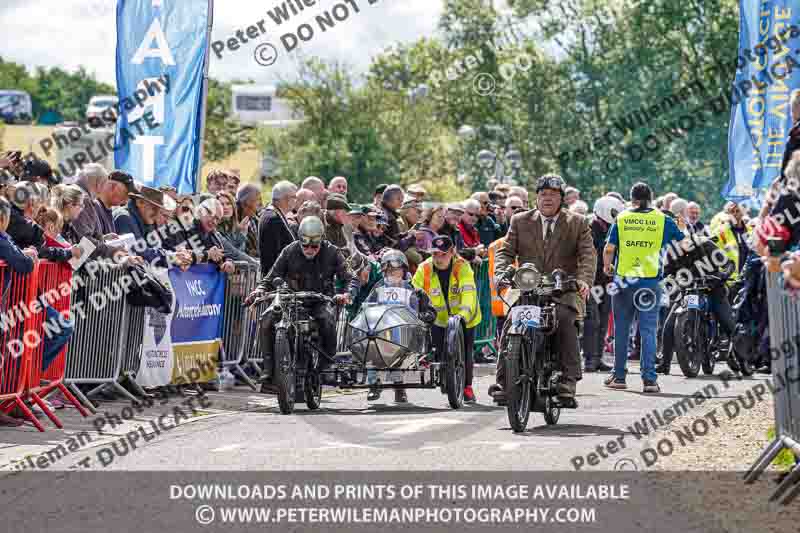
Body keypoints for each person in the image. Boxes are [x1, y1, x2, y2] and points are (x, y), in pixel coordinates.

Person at [491, 174, 595, 404]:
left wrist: (583, 280)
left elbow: (588, 254)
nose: (547, 199)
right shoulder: (520, 220)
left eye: (553, 195)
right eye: (543, 194)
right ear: (536, 198)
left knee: (564, 320)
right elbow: (506, 251)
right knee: (511, 321)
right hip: (527, 287)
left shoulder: (577, 222)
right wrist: (501, 273)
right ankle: (504, 381)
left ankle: (568, 380)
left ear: (561, 198)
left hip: (563, 288)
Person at [245, 216, 354, 390]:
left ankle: (327, 364)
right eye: (305, 246)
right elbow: (270, 277)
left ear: (322, 240)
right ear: (299, 240)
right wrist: (259, 290)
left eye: (314, 246)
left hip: (320, 299)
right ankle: (269, 368)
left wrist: (347, 294)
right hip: (291, 299)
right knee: (266, 319)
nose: (309, 249)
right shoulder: (289, 251)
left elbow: (350, 277)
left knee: (326, 319)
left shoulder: (332, 252)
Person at [602, 182, 684, 392]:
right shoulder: (663, 219)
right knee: (648, 330)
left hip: (623, 281)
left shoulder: (621, 218)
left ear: (632, 199)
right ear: (651, 197)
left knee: (621, 328)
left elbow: (609, 248)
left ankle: (619, 377)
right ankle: (649, 380)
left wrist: (607, 267)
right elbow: (683, 244)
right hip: (650, 281)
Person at [657, 232, 737, 374]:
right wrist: (672, 282)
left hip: (713, 289)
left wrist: (722, 275)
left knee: (728, 322)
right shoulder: (670, 253)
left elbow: (729, 264)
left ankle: (738, 356)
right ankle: (665, 364)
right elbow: (666, 275)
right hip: (688, 291)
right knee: (668, 326)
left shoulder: (706, 244)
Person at [412, 235, 480, 402]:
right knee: (441, 351)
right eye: (435, 254)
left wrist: (462, 315)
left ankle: (467, 386)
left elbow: (469, 294)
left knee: (465, 352)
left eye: (443, 254)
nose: (438, 258)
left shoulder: (462, 267)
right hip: (438, 318)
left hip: (465, 316)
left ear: (452, 252)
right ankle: (446, 379)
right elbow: (413, 291)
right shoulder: (424, 268)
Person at [363, 250, 427, 403]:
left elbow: (415, 308)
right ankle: (373, 385)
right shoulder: (378, 287)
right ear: (384, 271)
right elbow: (367, 305)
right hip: (382, 330)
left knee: (398, 353)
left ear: (403, 271)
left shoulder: (409, 288)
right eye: (389, 270)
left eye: (396, 270)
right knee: (371, 349)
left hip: (403, 331)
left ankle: (399, 387)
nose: (393, 273)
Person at [583, 195, 624, 372]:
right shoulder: (589, 229)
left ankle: (598, 357)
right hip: (591, 282)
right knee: (592, 320)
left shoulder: (612, 229)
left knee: (603, 319)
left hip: (607, 281)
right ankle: (590, 359)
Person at [114, 185, 191, 268]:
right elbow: (141, 252)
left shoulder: (146, 219)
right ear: (140, 203)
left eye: (159, 210)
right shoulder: (125, 218)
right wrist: (172, 257)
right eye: (153, 208)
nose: (157, 214)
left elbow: (156, 247)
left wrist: (178, 255)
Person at [258, 180, 296, 277]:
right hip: (275, 279)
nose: (295, 201)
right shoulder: (273, 218)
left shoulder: (272, 215)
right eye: (294, 197)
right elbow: (276, 253)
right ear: (286, 199)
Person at [94, 171, 135, 237]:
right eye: (125, 192)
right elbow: (85, 242)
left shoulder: (108, 210)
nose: (127, 198)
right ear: (112, 186)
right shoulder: (94, 208)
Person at [236, 183, 262, 258]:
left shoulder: (255, 220)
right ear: (247, 202)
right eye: (258, 199)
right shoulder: (234, 221)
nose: (260, 203)